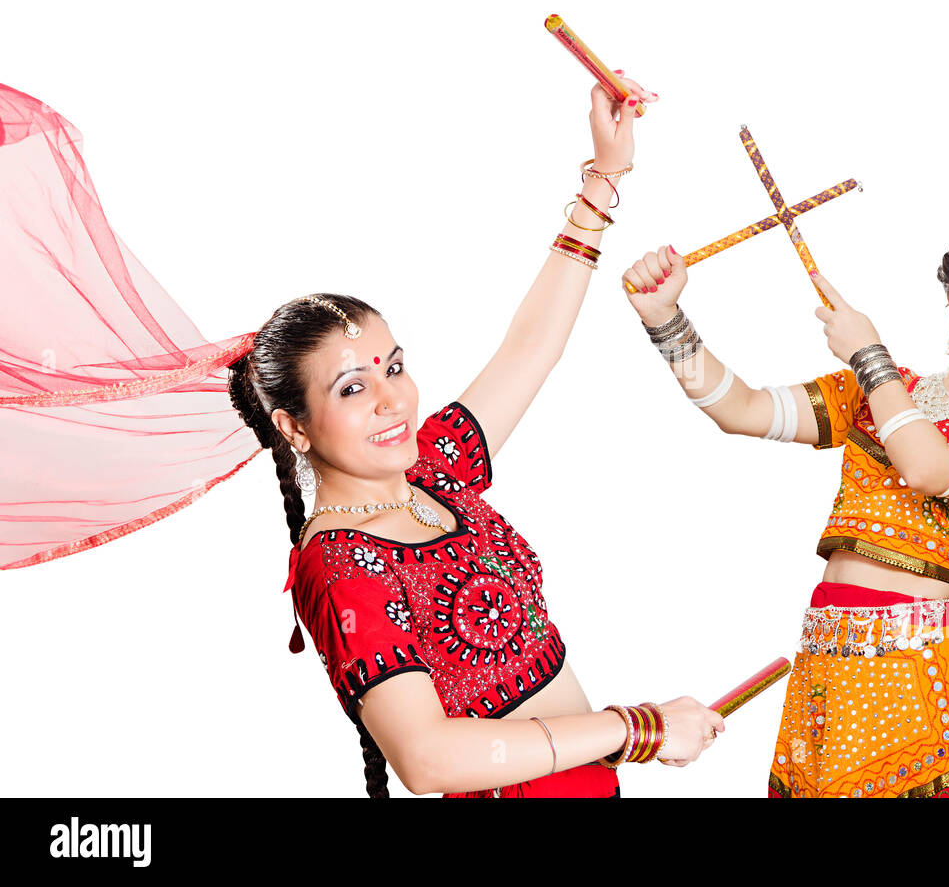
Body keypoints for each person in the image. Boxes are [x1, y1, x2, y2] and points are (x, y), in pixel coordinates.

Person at [228, 76, 724, 797]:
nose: (392, 400)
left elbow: (530, 349)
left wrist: (604, 178)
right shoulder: (339, 564)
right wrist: (638, 728)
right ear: (292, 426)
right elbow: (428, 760)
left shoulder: (436, 469)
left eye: (394, 368)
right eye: (353, 388)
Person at [620, 223, 949, 797]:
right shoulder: (879, 392)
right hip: (825, 661)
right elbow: (743, 409)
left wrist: (869, 356)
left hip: (915, 670)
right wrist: (665, 320)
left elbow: (929, 467)